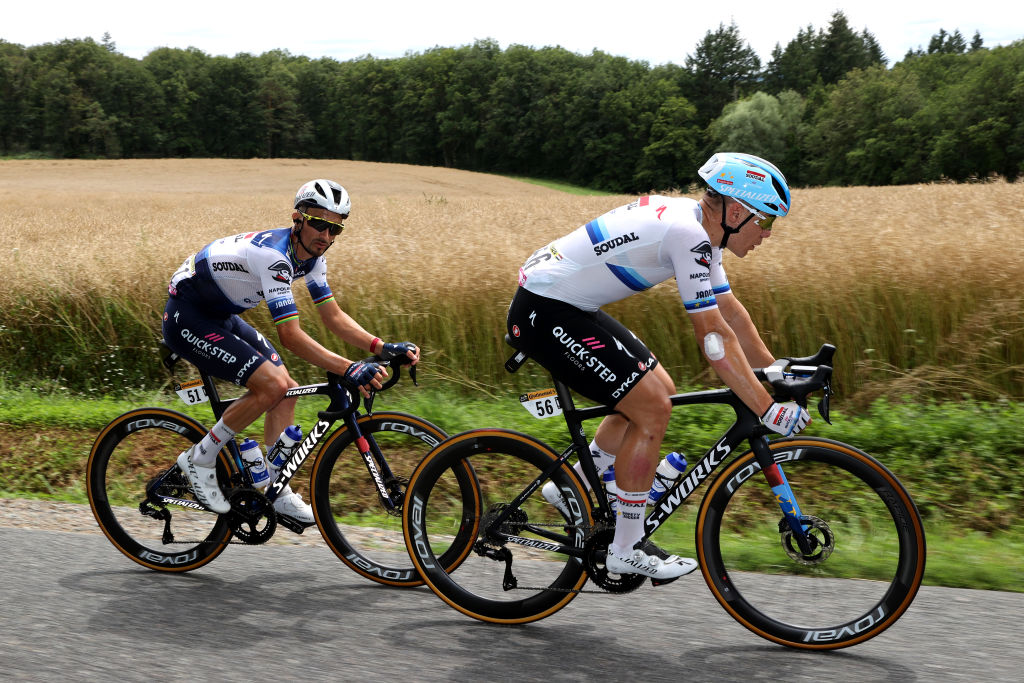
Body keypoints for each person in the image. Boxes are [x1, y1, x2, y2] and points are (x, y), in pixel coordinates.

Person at [507, 153, 810, 579]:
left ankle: (571, 485)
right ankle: (625, 548)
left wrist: (776, 370)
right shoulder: (689, 235)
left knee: (657, 389)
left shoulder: (703, 230)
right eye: (767, 222)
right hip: (545, 311)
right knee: (651, 407)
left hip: (567, 304)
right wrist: (766, 407)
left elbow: (732, 316)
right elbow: (714, 338)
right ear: (738, 212)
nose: (768, 235)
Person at [163, 179, 420, 525]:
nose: (326, 237)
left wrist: (381, 347)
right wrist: (348, 368)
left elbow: (332, 315)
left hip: (220, 316)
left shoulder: (313, 260)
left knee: (286, 391)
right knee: (271, 385)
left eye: (335, 229)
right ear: (298, 218)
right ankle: (200, 458)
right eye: (319, 224)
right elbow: (291, 336)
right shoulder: (275, 257)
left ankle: (273, 488)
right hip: (187, 317)